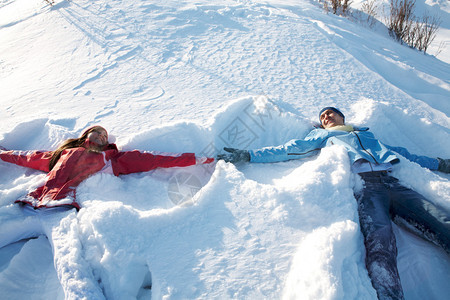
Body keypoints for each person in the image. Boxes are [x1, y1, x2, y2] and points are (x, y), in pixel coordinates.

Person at [217, 107, 450, 300]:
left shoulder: (368, 135)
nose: (326, 117)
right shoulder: (322, 136)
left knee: (442, 220)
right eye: (322, 117)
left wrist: (440, 164)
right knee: (380, 244)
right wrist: (249, 155)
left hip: (393, 184)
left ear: (342, 117)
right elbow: (289, 150)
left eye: (330, 113)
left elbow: (404, 154)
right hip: (366, 189)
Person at [0, 125, 214, 299]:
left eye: (105, 135)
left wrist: (202, 159)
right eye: (98, 131)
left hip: (61, 211)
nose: (102, 136)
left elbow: (156, 158)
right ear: (86, 134)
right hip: (29, 204)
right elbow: (25, 157)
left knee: (72, 267)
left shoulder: (112, 159)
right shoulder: (62, 154)